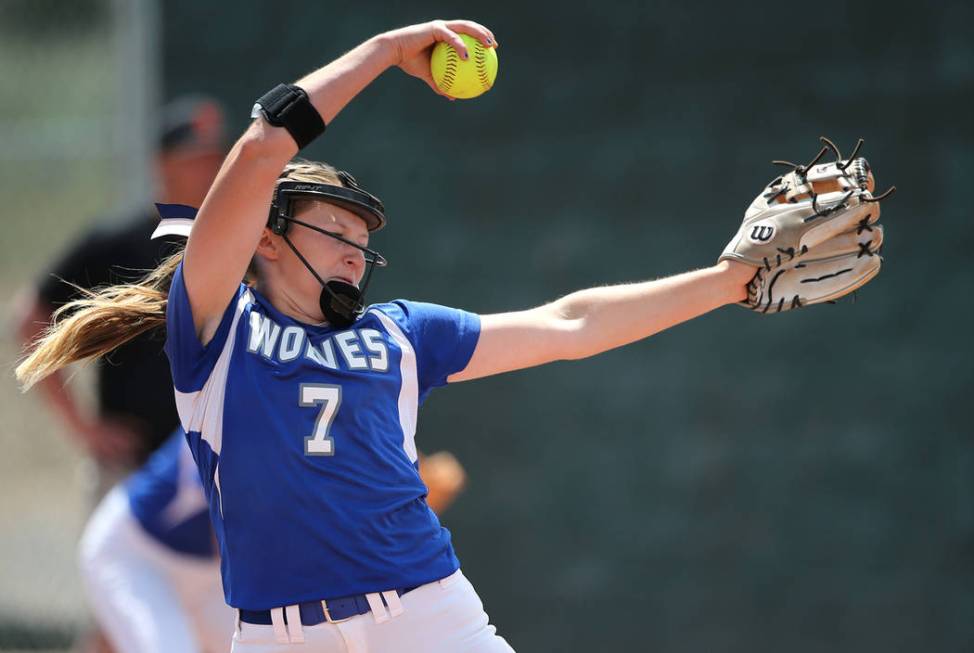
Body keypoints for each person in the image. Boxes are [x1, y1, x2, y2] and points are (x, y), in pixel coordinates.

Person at [16, 19, 758, 652]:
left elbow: (571, 323)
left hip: (427, 611)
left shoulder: (402, 333)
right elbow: (263, 145)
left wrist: (728, 280)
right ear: (267, 240)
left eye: (361, 236)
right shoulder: (214, 327)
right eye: (334, 226)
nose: (352, 247)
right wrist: (381, 52)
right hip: (277, 634)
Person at [78, 429, 467, 653]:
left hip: (211, 578)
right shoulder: (229, 414)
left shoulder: (308, 419)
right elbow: (233, 540)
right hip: (137, 558)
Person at [13, 95, 226, 476]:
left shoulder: (238, 245)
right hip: (132, 461)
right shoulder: (118, 242)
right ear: (162, 164)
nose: (209, 171)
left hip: (214, 460)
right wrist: (84, 428)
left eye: (215, 160)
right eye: (195, 161)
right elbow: (29, 317)